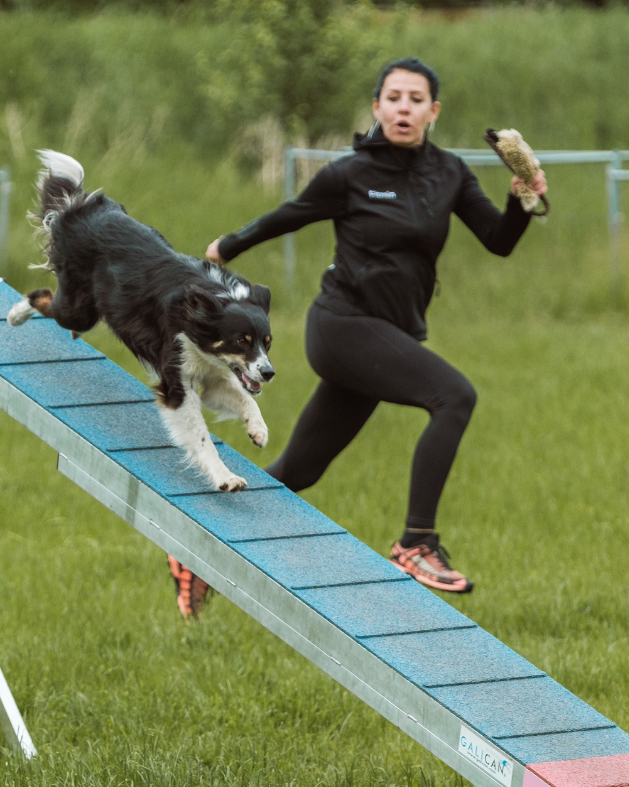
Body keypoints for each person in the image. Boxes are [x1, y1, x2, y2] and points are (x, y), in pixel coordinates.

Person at [168, 56, 546, 618]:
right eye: (393, 98)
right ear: (377, 107)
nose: (403, 108)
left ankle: (196, 552)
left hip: (388, 335)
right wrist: (228, 246)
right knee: (454, 396)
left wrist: (522, 199)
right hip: (342, 328)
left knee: (298, 472)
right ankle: (417, 543)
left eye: (416, 99)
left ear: (433, 111)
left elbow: (498, 239)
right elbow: (292, 214)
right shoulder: (351, 174)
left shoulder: (449, 173)